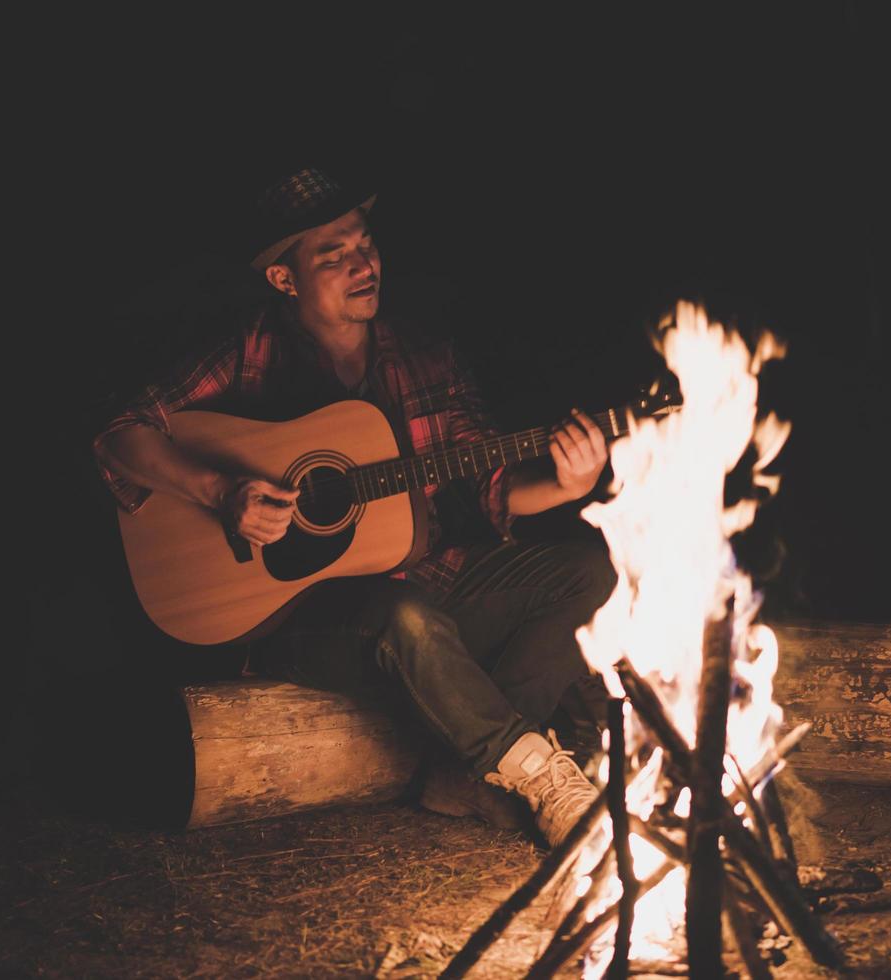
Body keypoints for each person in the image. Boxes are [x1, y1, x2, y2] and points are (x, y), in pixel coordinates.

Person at [93, 168, 616, 845]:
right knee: (404, 615)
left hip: (431, 583)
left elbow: (490, 479)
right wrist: (220, 492)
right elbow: (118, 435)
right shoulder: (248, 351)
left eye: (364, 244)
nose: (360, 264)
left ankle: (467, 774)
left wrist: (569, 485)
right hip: (305, 621)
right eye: (331, 254)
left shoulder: (425, 355)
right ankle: (535, 772)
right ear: (286, 280)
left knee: (589, 571)